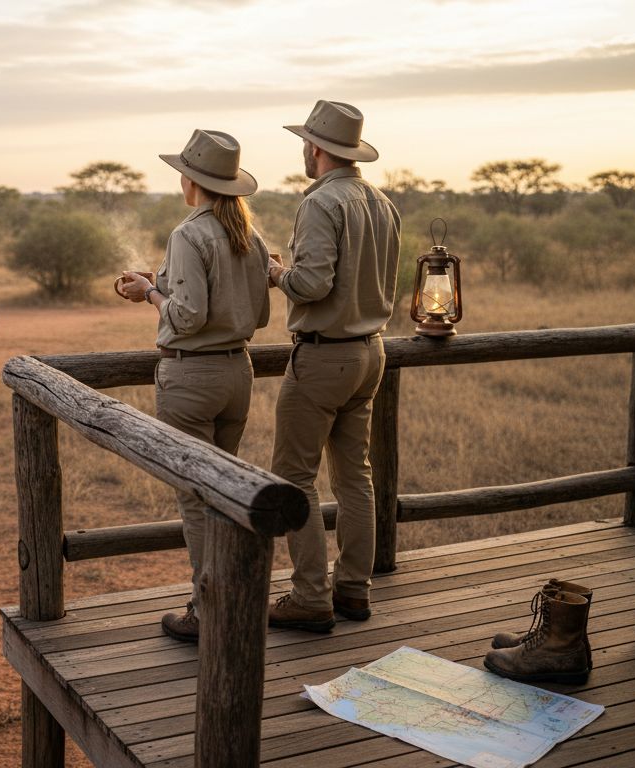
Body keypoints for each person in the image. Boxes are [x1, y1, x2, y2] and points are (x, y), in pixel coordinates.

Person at [118, 129, 270, 642]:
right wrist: (161, 284)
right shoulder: (251, 237)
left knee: (196, 496)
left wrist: (149, 294)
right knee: (224, 492)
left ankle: (209, 610)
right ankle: (232, 601)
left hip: (191, 377)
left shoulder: (188, 235)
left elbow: (186, 317)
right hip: (237, 372)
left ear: (192, 181)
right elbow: (259, 314)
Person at [265, 100, 401, 633]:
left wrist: (278, 274)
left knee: (294, 478)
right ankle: (353, 589)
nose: (303, 149)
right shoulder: (382, 203)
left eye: (306, 141)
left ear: (316, 147)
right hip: (371, 351)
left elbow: (312, 284)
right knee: (354, 476)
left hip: (324, 355)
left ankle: (309, 596)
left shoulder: (321, 203)